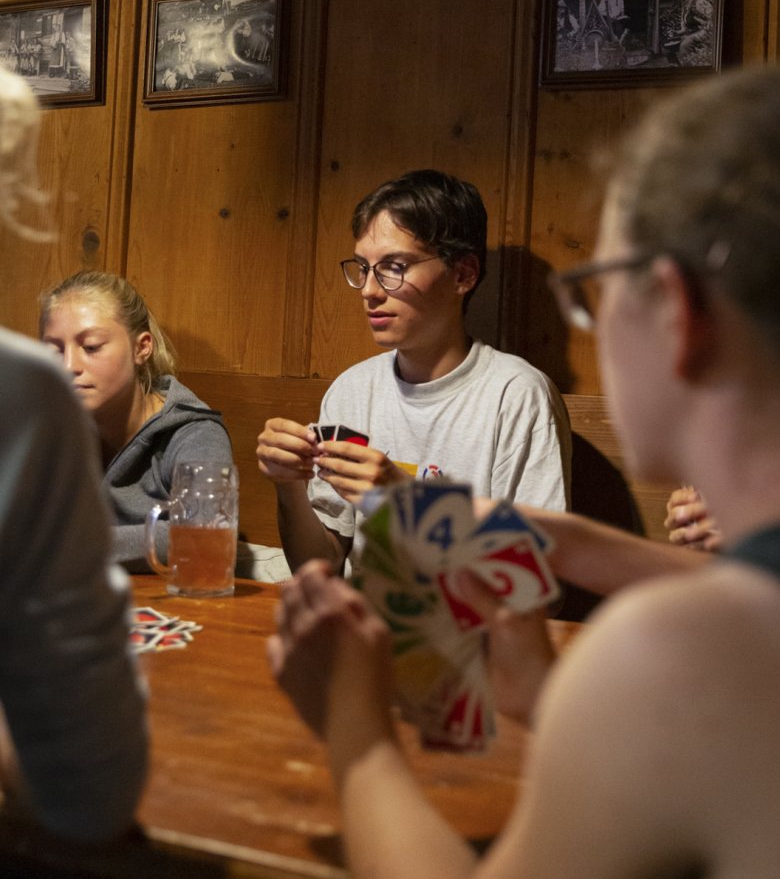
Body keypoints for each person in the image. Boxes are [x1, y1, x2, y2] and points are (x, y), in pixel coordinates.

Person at [269, 65, 780, 878]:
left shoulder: (675, 648)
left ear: (677, 315)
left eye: (595, 293)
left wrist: (353, 723)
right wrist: (569, 567)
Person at [258, 169, 570, 574]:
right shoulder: (353, 390)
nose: (370, 289)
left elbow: (538, 585)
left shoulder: (515, 395)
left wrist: (406, 502)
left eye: (394, 267)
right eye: (363, 268)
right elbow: (319, 564)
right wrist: (288, 485)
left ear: (463, 275)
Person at [0, 65, 147, 841]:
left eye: (92, 345)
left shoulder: (34, 393)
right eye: (60, 345)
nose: (72, 363)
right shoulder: (23, 394)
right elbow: (89, 787)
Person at [39, 270, 234, 572]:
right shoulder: (48, 428)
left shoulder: (194, 434)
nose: (68, 366)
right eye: (54, 351)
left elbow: (205, 537)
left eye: (91, 347)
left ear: (141, 348)